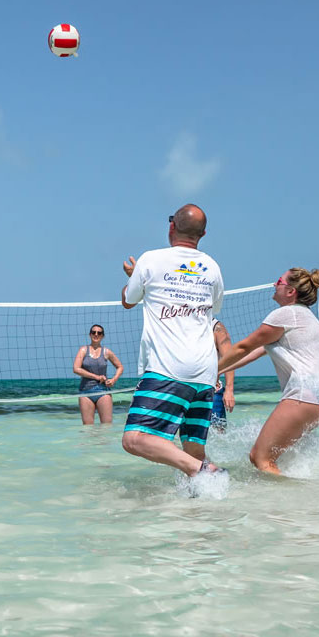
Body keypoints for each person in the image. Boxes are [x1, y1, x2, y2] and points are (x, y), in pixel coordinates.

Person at [118, 204, 226, 477]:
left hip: (169, 367)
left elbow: (128, 301)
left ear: (171, 227)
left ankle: (206, 471)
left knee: (134, 439)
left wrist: (134, 278)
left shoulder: (150, 260)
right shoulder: (212, 266)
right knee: (193, 448)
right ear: (202, 234)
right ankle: (201, 510)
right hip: (205, 373)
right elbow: (212, 309)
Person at [218, 268, 319, 475]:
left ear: (290, 291)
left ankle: (288, 503)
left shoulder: (286, 314)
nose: (274, 285)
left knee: (260, 458)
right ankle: (310, 500)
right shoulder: (305, 317)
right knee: (284, 460)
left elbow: (242, 347)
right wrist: (214, 374)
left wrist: (205, 371)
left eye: (278, 281)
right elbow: (251, 355)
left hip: (304, 395)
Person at [73, 324, 124, 424]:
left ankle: (103, 441)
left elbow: (120, 367)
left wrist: (113, 380)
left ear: (102, 336)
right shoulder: (83, 350)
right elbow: (76, 369)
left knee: (106, 426)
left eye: (99, 333)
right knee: (88, 428)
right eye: (93, 332)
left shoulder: (106, 352)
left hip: (103, 391)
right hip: (85, 391)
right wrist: (96, 377)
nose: (96, 334)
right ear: (90, 334)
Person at [210, 319, 236, 430]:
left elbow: (230, 360)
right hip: (183, 390)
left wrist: (229, 390)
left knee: (218, 436)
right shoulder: (179, 322)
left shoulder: (217, 327)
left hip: (212, 391)